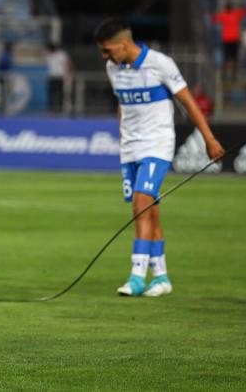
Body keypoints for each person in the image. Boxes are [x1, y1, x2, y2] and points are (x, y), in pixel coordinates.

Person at [94, 18, 224, 298]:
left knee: (141, 204)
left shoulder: (160, 63)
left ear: (124, 44)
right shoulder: (112, 68)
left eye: (108, 50)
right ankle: (162, 277)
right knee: (150, 210)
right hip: (130, 148)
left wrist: (209, 139)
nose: (105, 57)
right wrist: (122, 139)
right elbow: (123, 105)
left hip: (157, 144)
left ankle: (136, 276)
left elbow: (188, 102)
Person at [212, 2, 246, 82]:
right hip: (227, 40)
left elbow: (245, 11)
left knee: (234, 59)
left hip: (234, 40)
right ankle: (225, 76)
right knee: (226, 59)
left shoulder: (235, 13)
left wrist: (244, 7)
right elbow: (214, 19)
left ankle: (233, 76)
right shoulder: (224, 15)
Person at [45, 42, 74, 114]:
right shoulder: (48, 54)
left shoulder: (62, 54)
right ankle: (51, 108)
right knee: (51, 92)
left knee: (61, 93)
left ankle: (61, 108)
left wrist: (70, 73)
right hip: (51, 76)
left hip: (60, 76)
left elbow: (69, 63)